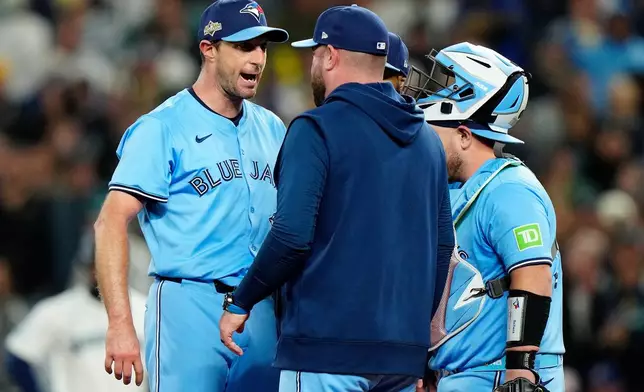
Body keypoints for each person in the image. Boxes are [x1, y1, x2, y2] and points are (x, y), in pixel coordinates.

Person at [219, 4, 454, 392]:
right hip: (400, 358)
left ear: (330, 56)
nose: (313, 63)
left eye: (315, 53)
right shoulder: (428, 141)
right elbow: (443, 244)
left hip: (326, 350)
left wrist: (241, 301)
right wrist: (409, 336)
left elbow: (292, 236)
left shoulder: (316, 128)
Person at [93, 1, 289, 391]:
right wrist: (119, 324)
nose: (257, 58)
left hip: (261, 309)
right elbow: (111, 220)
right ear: (209, 49)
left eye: (262, 47)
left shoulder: (273, 128)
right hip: (190, 307)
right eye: (244, 46)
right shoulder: (162, 126)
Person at [403, 42, 565, 392]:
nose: (425, 141)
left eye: (435, 131)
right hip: (461, 376)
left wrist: (520, 370)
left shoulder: (510, 189)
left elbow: (532, 274)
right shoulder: (453, 191)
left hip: (502, 378)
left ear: (463, 135)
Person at [4, 231, 148, 392]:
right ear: (88, 267)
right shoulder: (57, 310)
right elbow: (18, 356)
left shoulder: (145, 309)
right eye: (98, 264)